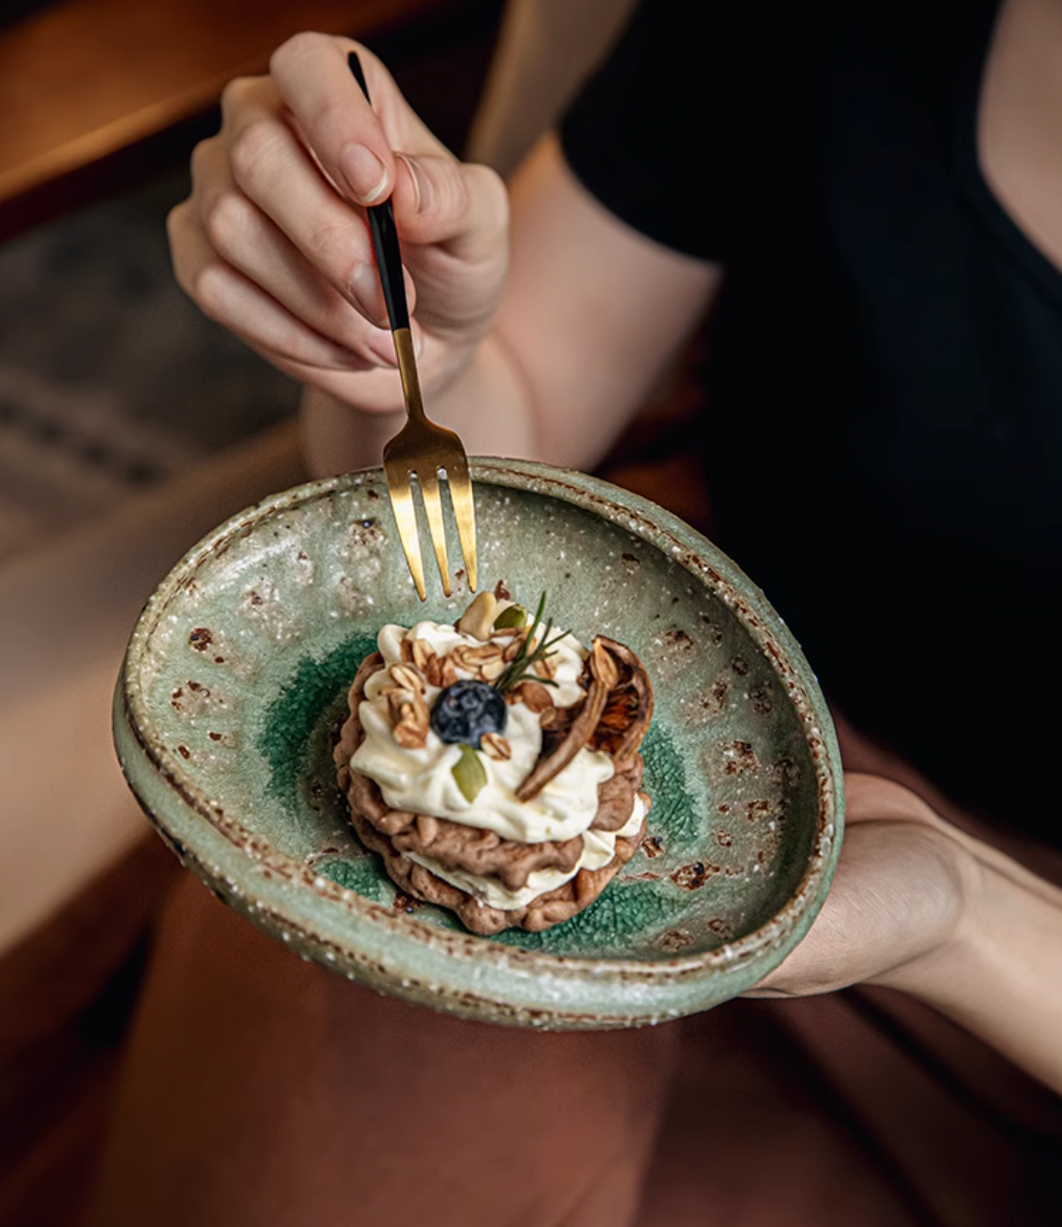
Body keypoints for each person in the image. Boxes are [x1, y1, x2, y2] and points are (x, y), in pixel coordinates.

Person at [85, 2, 1062, 1223]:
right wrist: (416, 360)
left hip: (1002, 1015)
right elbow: (515, 430)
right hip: (667, 737)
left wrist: (965, 915)